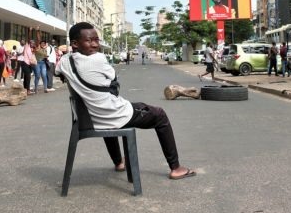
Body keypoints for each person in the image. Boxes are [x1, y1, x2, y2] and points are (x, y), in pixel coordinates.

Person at [60, 22, 195, 180]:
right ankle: (176, 168)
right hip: (112, 114)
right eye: (89, 41)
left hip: (92, 117)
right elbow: (113, 78)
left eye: (97, 40)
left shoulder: (64, 61)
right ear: (75, 43)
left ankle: (119, 162)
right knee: (160, 115)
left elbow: (59, 73)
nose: (95, 44)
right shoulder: (98, 59)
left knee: (105, 110)